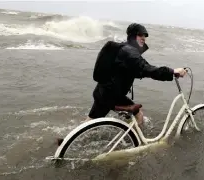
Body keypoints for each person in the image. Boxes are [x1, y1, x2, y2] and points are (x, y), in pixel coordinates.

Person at [56, 23, 187, 146]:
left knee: (91, 121)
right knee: (138, 113)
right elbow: (146, 69)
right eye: (141, 35)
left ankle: (67, 141)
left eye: (145, 36)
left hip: (103, 91)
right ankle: (136, 142)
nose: (144, 38)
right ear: (133, 36)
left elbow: (132, 70)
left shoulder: (123, 49)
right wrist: (172, 71)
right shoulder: (129, 52)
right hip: (112, 95)